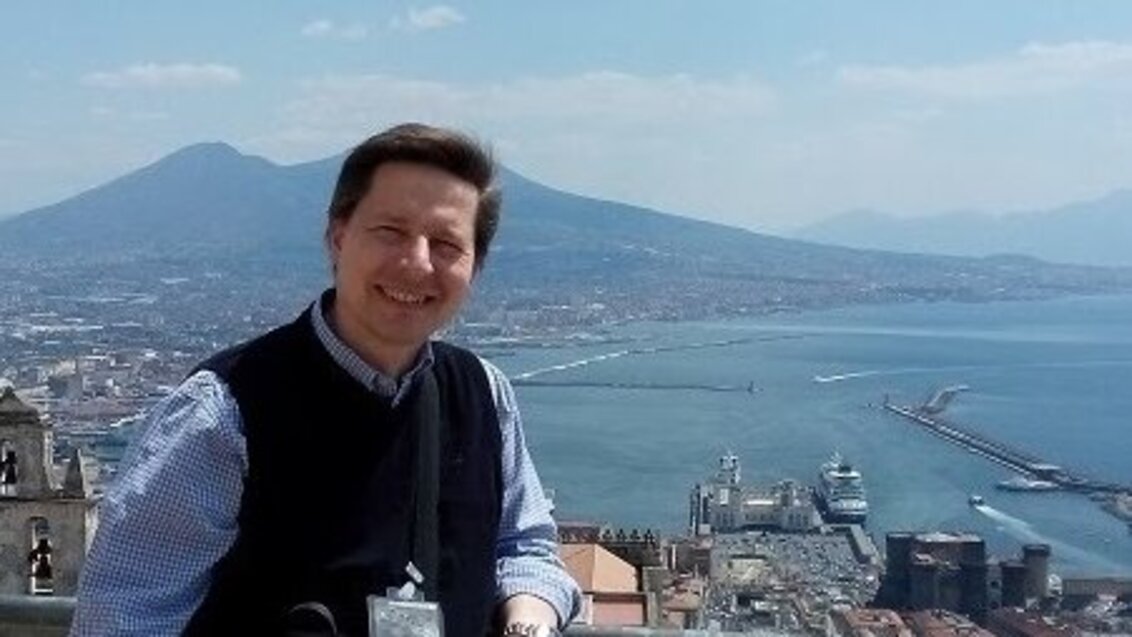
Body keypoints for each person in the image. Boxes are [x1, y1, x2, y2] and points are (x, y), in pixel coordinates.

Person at [71, 123, 581, 636]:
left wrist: (527, 622)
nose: (417, 262)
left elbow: (525, 546)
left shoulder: (483, 394)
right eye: (391, 232)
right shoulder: (224, 411)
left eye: (446, 243)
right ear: (338, 237)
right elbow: (122, 618)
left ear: (475, 266)